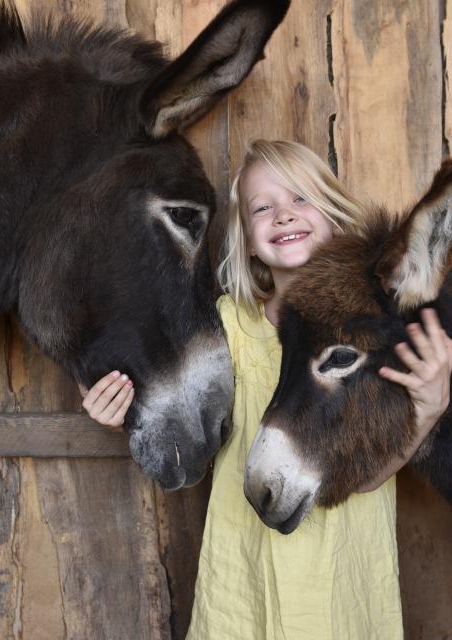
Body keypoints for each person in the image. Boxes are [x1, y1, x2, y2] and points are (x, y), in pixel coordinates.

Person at [79, 140, 452, 639]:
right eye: (262, 207)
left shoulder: (373, 336)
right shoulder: (227, 329)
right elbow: (175, 410)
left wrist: (430, 407)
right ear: (248, 240)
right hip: (245, 575)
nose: (283, 215)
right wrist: (119, 402)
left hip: (340, 580)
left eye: (301, 199)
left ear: (334, 218)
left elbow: (368, 477)